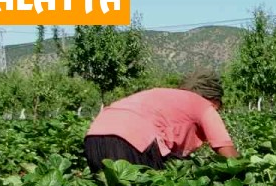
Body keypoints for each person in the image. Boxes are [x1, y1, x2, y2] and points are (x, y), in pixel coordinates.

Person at [83, 70, 239, 172]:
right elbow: (229, 155)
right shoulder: (204, 105)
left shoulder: (165, 96)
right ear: (213, 99)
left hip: (94, 137)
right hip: (132, 141)